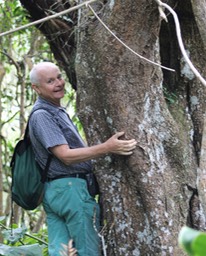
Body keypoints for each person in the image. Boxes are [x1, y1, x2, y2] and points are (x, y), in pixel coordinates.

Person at [29, 61, 137, 256]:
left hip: (57, 191)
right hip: (70, 191)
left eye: (59, 77)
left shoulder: (55, 110)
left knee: (61, 252)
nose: (59, 83)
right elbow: (65, 156)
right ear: (36, 88)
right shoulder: (42, 115)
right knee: (88, 250)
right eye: (50, 81)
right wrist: (107, 147)